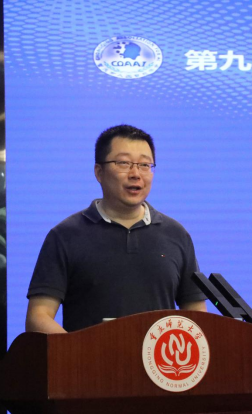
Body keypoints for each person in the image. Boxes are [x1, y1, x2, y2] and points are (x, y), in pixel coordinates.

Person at [25, 125, 207, 333]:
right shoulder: (65, 236)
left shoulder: (176, 234)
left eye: (145, 165)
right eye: (124, 163)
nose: (135, 174)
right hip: (89, 355)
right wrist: (77, 350)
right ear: (99, 172)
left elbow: (196, 313)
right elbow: (38, 317)